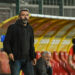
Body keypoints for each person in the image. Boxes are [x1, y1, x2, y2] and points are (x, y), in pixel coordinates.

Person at [3, 8, 36, 75]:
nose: (25, 17)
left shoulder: (30, 28)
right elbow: (6, 42)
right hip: (15, 59)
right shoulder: (12, 27)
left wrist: (33, 56)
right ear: (19, 16)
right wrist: (9, 53)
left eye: (27, 15)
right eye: (23, 15)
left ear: (29, 17)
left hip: (27, 59)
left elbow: (31, 44)